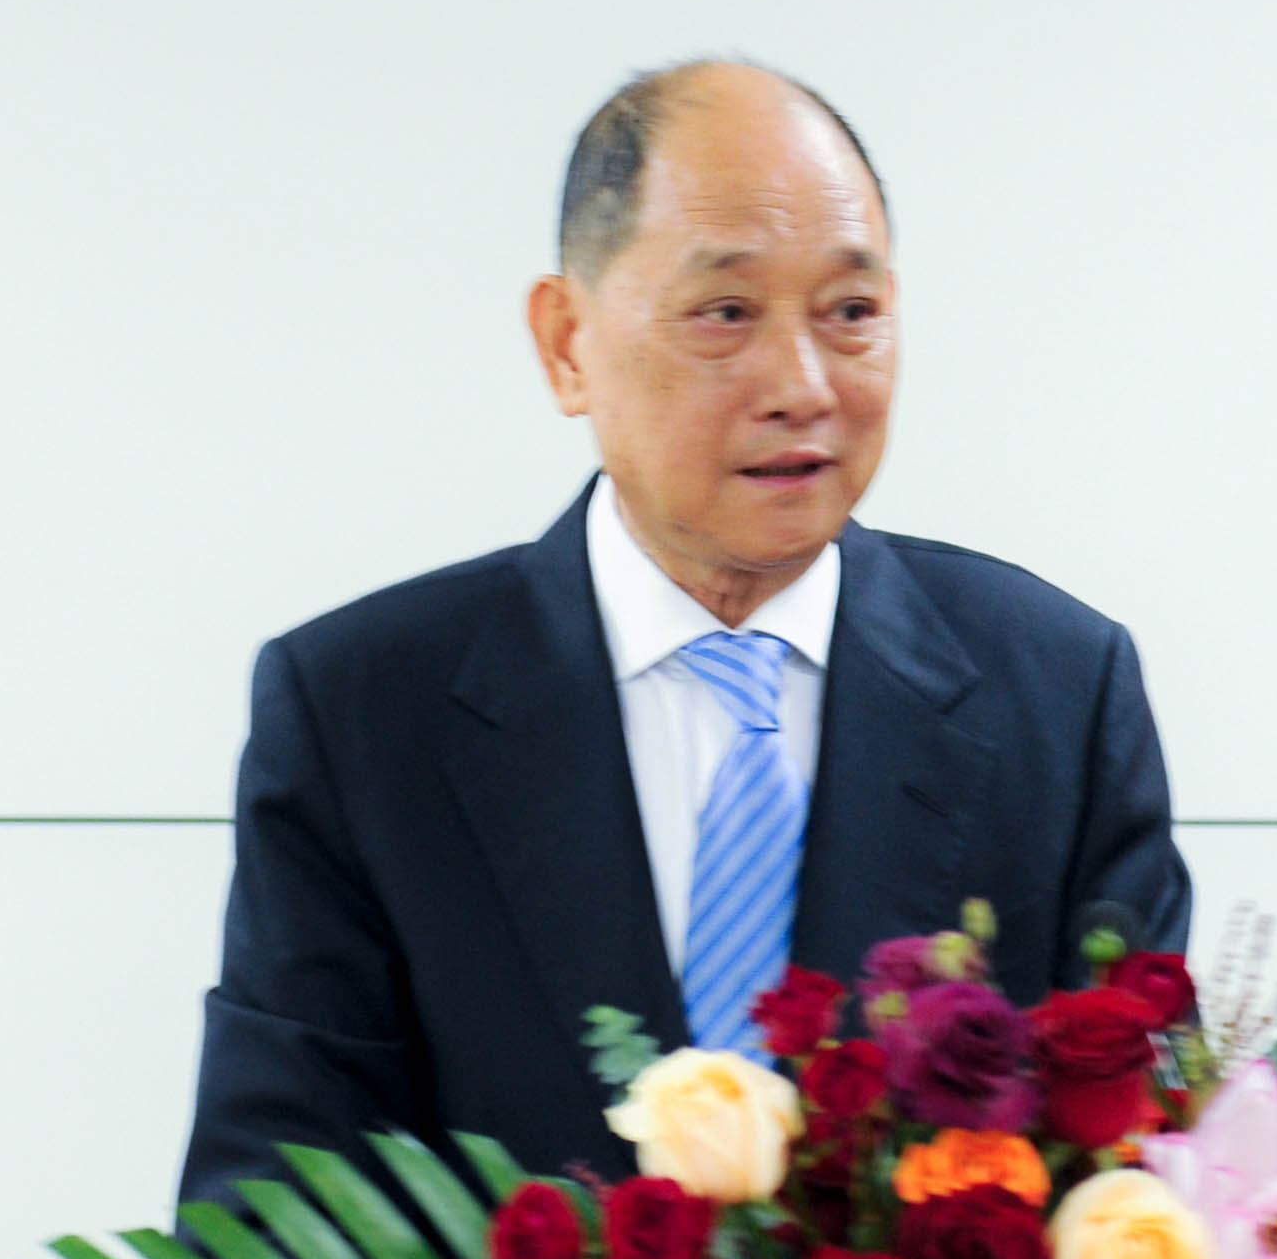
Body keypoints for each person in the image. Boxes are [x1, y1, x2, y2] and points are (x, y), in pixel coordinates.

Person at [177, 60, 1193, 1198]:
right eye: (726, 313)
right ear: (567, 343)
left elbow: (1148, 1175)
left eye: (850, 313)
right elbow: (268, 1227)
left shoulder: (1056, 693)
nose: (802, 385)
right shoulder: (363, 712)